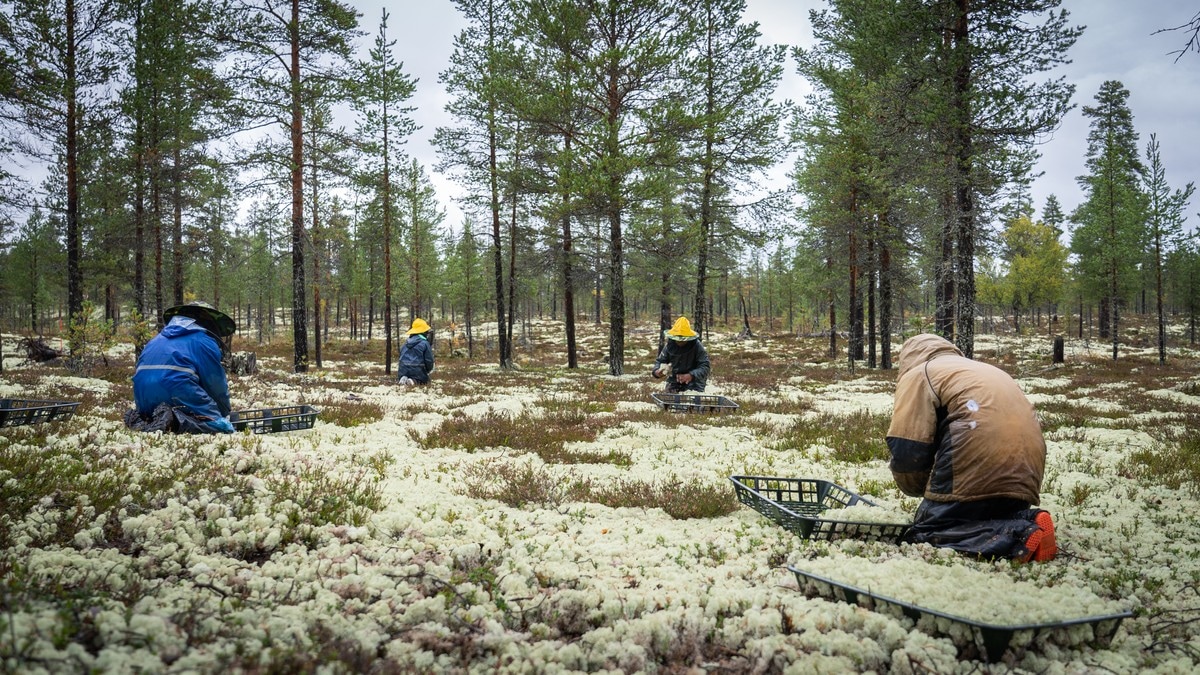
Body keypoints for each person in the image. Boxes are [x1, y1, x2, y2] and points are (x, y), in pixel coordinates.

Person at [886, 333, 1056, 563]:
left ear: (907, 358)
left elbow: (908, 449)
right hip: (1027, 469)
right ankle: (1027, 519)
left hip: (976, 452)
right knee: (990, 512)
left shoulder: (920, 373)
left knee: (926, 531)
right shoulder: (982, 370)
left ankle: (1018, 534)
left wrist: (922, 491)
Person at [126, 301, 236, 434]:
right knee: (218, 427)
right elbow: (215, 383)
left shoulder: (155, 340)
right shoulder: (204, 341)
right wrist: (222, 414)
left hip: (143, 399)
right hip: (176, 392)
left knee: (155, 414)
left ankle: (145, 418)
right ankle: (175, 421)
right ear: (208, 321)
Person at [652, 317, 711, 393]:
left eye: (683, 339)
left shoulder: (697, 346)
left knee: (692, 402)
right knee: (669, 401)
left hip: (695, 383)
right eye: (677, 339)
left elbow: (705, 366)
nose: (679, 341)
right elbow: (660, 361)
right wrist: (657, 372)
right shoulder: (670, 345)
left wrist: (691, 375)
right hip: (674, 381)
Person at [398, 318, 435, 386]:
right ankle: (413, 381)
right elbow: (429, 360)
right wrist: (428, 370)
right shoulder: (425, 343)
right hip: (417, 370)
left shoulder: (405, 343)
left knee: (407, 372)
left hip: (403, 370)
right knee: (424, 380)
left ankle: (403, 378)